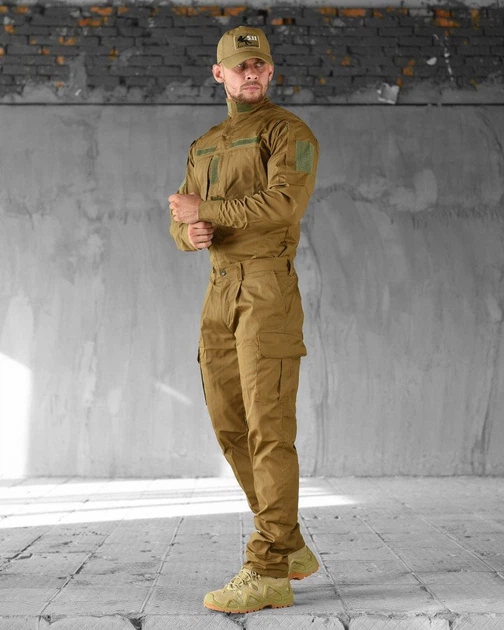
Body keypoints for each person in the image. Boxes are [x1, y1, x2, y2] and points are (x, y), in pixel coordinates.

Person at [169, 25, 320, 614]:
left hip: (266, 288)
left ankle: (269, 568)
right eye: (240, 66)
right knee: (229, 424)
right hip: (219, 291)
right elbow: (182, 218)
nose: (251, 73)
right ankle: (289, 542)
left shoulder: (289, 133)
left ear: (271, 71)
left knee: (269, 429)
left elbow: (286, 202)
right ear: (220, 75)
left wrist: (204, 208)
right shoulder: (204, 145)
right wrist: (188, 234)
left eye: (259, 65)